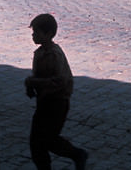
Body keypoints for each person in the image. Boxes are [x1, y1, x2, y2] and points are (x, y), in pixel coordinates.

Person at [24, 13, 88, 170]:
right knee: (36, 142)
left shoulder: (54, 54)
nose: (33, 36)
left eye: (36, 33)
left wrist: (33, 82)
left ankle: (77, 154)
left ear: (48, 34)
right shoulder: (39, 54)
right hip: (44, 101)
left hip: (57, 103)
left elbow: (60, 80)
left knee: (49, 140)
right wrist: (31, 86)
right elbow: (38, 76)